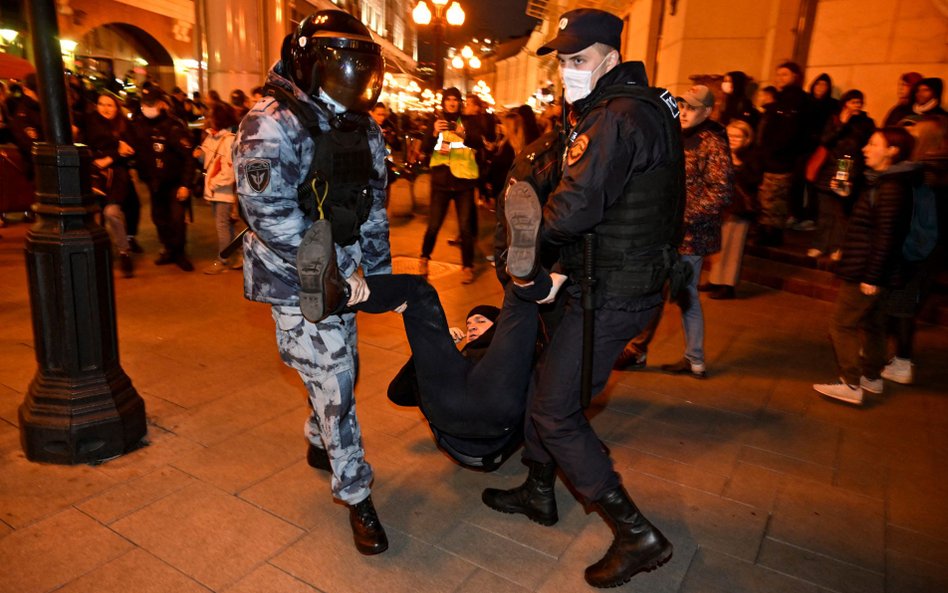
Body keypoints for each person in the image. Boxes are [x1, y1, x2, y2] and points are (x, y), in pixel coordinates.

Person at [481, 9, 682, 588]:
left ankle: (636, 533)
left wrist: (526, 251)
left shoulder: (615, 118)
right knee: (549, 381)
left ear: (610, 58)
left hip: (613, 291)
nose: (568, 72)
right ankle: (540, 489)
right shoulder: (646, 106)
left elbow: (575, 206)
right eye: (563, 62)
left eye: (579, 60)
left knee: (555, 409)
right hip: (617, 281)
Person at [233, 10, 391, 555]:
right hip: (293, 275)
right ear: (307, 62)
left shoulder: (362, 127)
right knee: (337, 377)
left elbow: (372, 206)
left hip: (342, 272)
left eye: (362, 70)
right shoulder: (270, 123)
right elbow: (269, 215)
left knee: (339, 367)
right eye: (341, 68)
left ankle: (318, 436)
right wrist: (336, 273)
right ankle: (356, 493)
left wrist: (380, 274)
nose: (354, 83)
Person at [616, 85, 732, 377]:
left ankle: (692, 357)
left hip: (691, 236)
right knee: (655, 289)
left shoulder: (711, 144)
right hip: (667, 232)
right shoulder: (677, 136)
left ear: (706, 112)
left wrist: (682, 217)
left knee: (685, 294)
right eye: (682, 106)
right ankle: (639, 350)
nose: (684, 112)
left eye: (691, 108)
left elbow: (720, 193)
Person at [814, 127, 917, 405]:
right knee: (873, 324)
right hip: (875, 267)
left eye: (873, 144)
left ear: (892, 151)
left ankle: (850, 383)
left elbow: (887, 236)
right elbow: (865, 223)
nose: (865, 149)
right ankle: (872, 377)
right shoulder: (880, 181)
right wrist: (846, 197)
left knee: (841, 324)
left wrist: (871, 276)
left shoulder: (892, 187)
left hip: (868, 268)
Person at [880, 115, 948, 384]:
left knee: (901, 307)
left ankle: (902, 362)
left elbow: (914, 217)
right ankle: (892, 355)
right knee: (902, 305)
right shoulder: (937, 169)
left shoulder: (923, 172)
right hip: (932, 252)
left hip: (916, 251)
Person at [419, 87, 486, 284]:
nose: (451, 103)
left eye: (455, 99)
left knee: (465, 227)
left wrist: (462, 132)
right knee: (434, 225)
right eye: (448, 99)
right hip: (441, 183)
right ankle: (424, 258)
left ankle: (467, 266)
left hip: (463, 183)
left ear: (459, 102)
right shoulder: (435, 121)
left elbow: (478, 143)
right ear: (443, 102)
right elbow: (424, 148)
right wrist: (433, 133)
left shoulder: (468, 121)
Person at [128, 85, 196, 271]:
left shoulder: (173, 126)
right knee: (159, 218)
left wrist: (185, 184)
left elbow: (188, 157)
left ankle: (179, 253)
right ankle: (168, 249)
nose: (148, 107)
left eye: (151, 103)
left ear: (161, 103)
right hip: (153, 182)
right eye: (145, 103)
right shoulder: (138, 125)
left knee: (176, 219)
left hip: (174, 182)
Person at [807, 90, 876, 260]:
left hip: (848, 170)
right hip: (828, 169)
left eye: (859, 102)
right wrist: (842, 124)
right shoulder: (834, 119)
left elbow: (864, 144)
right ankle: (819, 245)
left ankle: (837, 247)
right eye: (853, 102)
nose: (857, 106)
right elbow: (825, 140)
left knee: (841, 213)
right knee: (825, 213)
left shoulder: (866, 123)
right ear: (845, 103)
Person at [702, 118, 760, 300]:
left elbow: (754, 180)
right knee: (717, 246)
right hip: (718, 205)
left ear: (747, 138)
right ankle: (715, 279)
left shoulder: (751, 156)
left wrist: (737, 163)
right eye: (730, 135)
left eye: (738, 136)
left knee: (732, 247)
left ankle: (728, 285)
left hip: (738, 208)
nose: (733, 139)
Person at [82, 92, 137, 277]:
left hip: (117, 178)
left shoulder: (124, 125)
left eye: (110, 105)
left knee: (112, 213)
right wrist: (115, 152)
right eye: (101, 104)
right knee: (95, 217)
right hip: (94, 177)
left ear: (117, 107)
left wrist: (109, 158)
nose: (105, 108)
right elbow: (85, 150)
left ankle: (124, 252)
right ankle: (98, 253)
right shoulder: (89, 123)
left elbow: (130, 150)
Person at [755, 62, 808, 246]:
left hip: (780, 160)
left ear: (795, 76)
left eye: (784, 74)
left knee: (774, 199)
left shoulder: (795, 101)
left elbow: (789, 132)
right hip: (772, 159)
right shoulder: (781, 100)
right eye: (778, 74)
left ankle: (771, 234)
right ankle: (767, 232)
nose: (780, 78)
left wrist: (774, 152)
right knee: (768, 198)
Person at [197, 102, 240, 274]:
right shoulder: (212, 137)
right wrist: (200, 155)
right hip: (215, 192)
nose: (208, 118)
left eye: (211, 115)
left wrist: (212, 184)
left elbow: (228, 172)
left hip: (223, 193)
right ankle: (239, 255)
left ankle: (223, 260)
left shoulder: (229, 140)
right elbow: (206, 161)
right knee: (227, 226)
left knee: (222, 226)